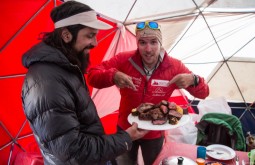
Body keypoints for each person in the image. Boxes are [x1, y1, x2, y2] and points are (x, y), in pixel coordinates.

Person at [21, 1, 148, 165]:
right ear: (66, 35)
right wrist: (126, 138)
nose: (95, 43)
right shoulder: (48, 83)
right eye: (90, 35)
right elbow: (72, 151)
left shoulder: (65, 68)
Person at [87, 21, 210, 165]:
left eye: (153, 42)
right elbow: (92, 76)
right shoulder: (125, 59)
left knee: (155, 163)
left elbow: (204, 93)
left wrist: (194, 80)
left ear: (160, 43)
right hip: (126, 129)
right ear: (137, 44)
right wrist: (112, 76)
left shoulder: (174, 66)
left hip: (155, 133)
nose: (148, 49)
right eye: (142, 43)